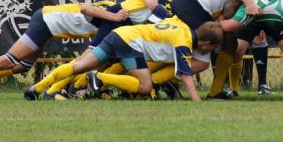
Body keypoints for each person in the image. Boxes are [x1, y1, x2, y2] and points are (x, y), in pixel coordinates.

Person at [0, 0, 129, 100]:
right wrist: (114, 15)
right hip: (45, 21)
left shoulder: (114, 10)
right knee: (10, 59)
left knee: (22, 66)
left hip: (47, 24)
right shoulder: (113, 13)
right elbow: (86, 7)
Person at [25, 16, 223, 101]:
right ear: (206, 43)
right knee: (145, 86)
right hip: (130, 43)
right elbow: (186, 75)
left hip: (119, 34)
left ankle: (37, 89)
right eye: (210, 49)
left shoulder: (179, 24)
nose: (206, 52)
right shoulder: (184, 41)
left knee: (79, 65)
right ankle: (100, 78)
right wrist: (197, 101)